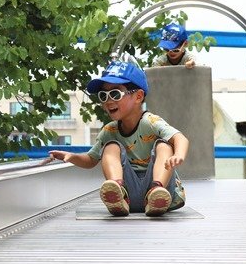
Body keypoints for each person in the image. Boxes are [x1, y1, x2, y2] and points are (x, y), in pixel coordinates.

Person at [41, 61, 188, 216]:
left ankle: (156, 190)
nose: (109, 101)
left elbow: (180, 138)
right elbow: (91, 160)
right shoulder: (109, 130)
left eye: (115, 94)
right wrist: (70, 157)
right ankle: (118, 193)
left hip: (159, 193)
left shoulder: (151, 122)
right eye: (103, 95)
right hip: (128, 195)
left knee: (164, 146)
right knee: (110, 146)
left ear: (138, 96)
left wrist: (178, 154)